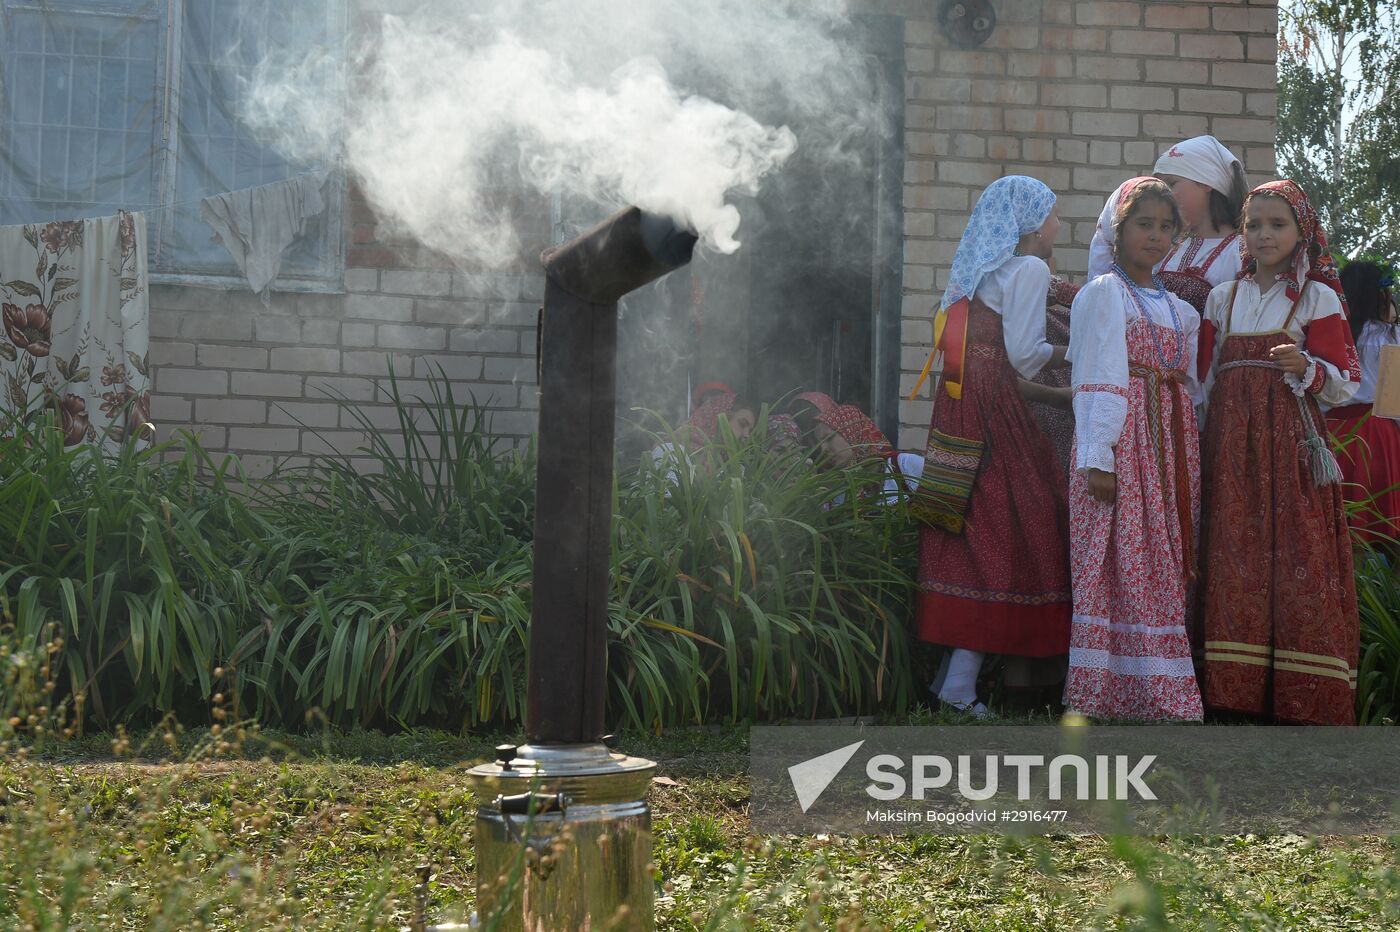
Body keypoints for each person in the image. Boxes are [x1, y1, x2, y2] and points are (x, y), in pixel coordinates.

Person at [1197, 179, 1361, 725]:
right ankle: (1230, 693)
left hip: (1291, 452)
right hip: (1231, 449)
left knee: (1297, 555)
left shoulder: (1319, 298)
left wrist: (1308, 368)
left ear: (1302, 232)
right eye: (1253, 225)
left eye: (1277, 224)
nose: (1264, 235)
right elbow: (1203, 378)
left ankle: (1301, 696)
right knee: (1232, 553)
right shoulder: (1223, 297)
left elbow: (1346, 384)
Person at [915, 175, 1073, 717]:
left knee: (969, 528)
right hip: (997, 416)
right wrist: (1078, 350)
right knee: (1012, 531)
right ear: (1030, 223)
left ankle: (948, 680)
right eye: (1052, 215)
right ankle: (959, 688)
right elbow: (1026, 355)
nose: (1058, 225)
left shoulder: (977, 272)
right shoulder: (1029, 269)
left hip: (959, 412)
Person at [1062, 178, 1204, 721]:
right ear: (1117, 232)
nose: (1157, 236)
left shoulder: (1177, 309)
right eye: (1144, 224)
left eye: (1166, 227)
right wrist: (1099, 455)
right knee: (1118, 553)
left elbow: (1186, 383)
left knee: (1159, 556)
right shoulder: (1103, 293)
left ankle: (1160, 691)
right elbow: (1098, 376)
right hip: (1123, 441)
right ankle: (1110, 690)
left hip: (1166, 443)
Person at [1086, 136, 1246, 313]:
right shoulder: (1166, 246)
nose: (1165, 195)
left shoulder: (1241, 252)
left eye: (1171, 183)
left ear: (1206, 182)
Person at [1325, 261, 1400, 542]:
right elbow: (1396, 401)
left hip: (1333, 432)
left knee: (1337, 522)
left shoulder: (1330, 334)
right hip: (1377, 431)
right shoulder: (1390, 337)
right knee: (1379, 525)